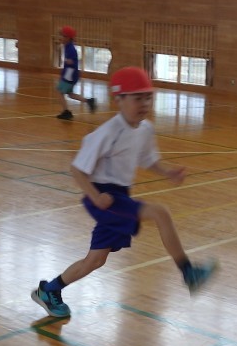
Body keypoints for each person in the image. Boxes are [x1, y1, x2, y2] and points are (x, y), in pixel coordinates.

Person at [32, 66, 218, 317]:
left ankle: (49, 291)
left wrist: (168, 172)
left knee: (96, 260)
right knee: (160, 212)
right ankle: (188, 272)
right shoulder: (108, 132)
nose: (144, 104)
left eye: (148, 97)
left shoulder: (145, 128)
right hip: (104, 197)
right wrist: (96, 197)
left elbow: (148, 159)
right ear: (118, 99)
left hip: (119, 196)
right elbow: (77, 169)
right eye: (137, 98)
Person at [56, 25, 96, 120]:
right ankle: (89, 101)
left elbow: (72, 62)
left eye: (63, 36)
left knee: (59, 92)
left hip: (69, 74)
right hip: (71, 74)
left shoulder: (71, 49)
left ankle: (66, 112)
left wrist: (67, 61)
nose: (61, 38)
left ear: (68, 38)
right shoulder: (67, 45)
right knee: (70, 94)